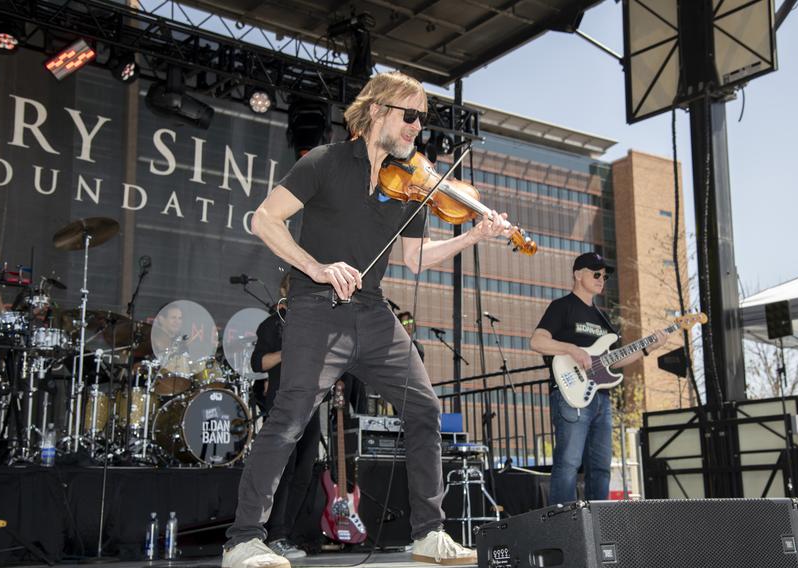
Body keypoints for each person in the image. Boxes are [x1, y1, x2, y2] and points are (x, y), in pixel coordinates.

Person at [222, 70, 514, 568]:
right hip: (318, 308)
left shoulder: (413, 186)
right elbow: (264, 219)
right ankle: (244, 539)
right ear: (377, 108)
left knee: (424, 410)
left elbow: (416, 260)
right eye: (410, 114)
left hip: (374, 314)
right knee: (289, 419)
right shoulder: (325, 161)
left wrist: (471, 237)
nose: (417, 126)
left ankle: (428, 533)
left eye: (422, 118)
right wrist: (316, 266)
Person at [529, 252, 669, 504]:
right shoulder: (562, 306)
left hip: (601, 398)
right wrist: (572, 349)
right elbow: (537, 342)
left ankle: (597, 524)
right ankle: (561, 523)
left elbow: (612, 359)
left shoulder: (601, 318)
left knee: (601, 468)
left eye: (604, 276)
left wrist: (648, 347)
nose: (601, 279)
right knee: (568, 464)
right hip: (570, 395)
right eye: (596, 273)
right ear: (577, 274)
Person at [250, 273, 318, 561]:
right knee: (283, 472)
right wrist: (286, 352)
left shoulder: (317, 324)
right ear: (285, 290)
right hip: (282, 403)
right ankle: (274, 534)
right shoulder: (272, 324)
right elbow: (258, 362)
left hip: (311, 403)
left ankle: (287, 533)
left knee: (304, 472)